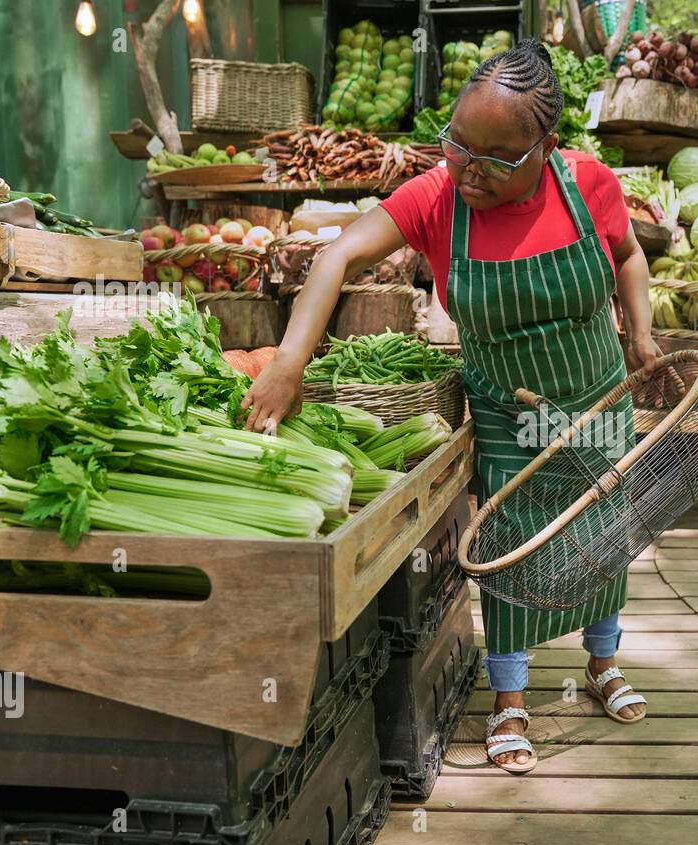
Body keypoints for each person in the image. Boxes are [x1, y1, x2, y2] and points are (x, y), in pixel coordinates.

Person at [240, 39, 660, 774]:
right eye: (458, 145)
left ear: (545, 146)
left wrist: (641, 333)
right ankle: (510, 701)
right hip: (505, 405)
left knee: (604, 530)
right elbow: (337, 257)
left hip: (596, 396)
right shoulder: (438, 198)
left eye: (496, 158)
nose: (470, 169)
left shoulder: (586, 183)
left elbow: (627, 254)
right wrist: (286, 364)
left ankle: (603, 663)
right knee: (505, 545)